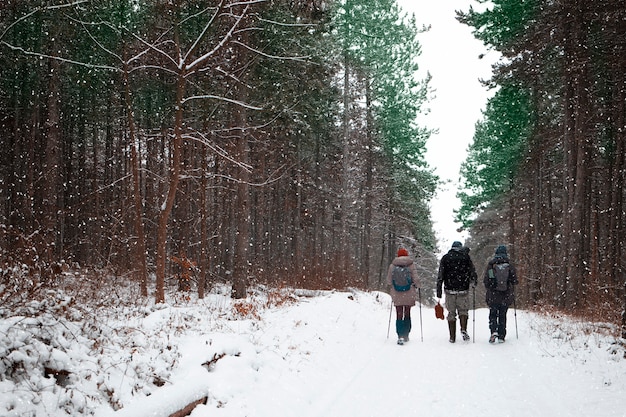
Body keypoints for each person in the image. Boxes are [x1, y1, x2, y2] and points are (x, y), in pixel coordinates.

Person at [436, 241, 477, 343]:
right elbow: (472, 271)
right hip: (463, 289)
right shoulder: (466, 257)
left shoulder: (445, 258)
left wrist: (439, 290)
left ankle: (452, 337)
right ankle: (463, 329)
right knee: (463, 311)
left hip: (450, 290)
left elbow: (440, 275)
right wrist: (473, 282)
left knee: (451, 313)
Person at [483, 245, 518, 343]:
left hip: (493, 295)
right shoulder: (509, 266)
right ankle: (501, 335)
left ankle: (493, 331)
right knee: (502, 315)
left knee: (493, 314)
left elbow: (486, 281)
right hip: (505, 295)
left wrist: (490, 288)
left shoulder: (491, 266)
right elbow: (514, 280)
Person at [387, 247, 420, 345]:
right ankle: (406, 334)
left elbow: (389, 281)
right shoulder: (411, 265)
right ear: (406, 255)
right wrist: (418, 285)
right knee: (407, 313)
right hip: (409, 292)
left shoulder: (392, 266)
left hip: (397, 293)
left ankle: (400, 335)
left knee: (399, 313)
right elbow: (416, 279)